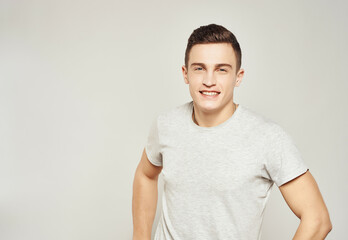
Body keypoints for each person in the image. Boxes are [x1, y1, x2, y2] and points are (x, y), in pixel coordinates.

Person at [132, 23, 332, 240]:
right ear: (185, 73)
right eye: (199, 68)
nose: (209, 81)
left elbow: (318, 219)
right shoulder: (166, 125)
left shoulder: (267, 137)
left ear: (238, 76)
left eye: (222, 69)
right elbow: (146, 175)